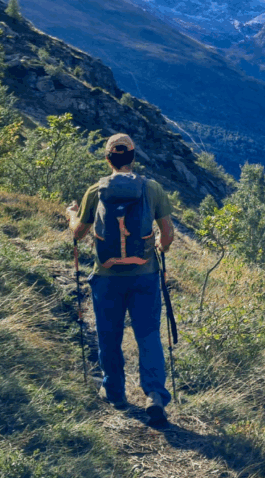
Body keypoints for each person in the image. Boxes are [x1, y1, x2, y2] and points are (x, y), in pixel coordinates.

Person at [66, 133, 174, 423]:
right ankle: (154, 394)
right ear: (133, 158)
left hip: (107, 276)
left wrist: (71, 214)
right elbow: (167, 234)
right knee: (148, 335)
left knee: (109, 334)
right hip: (145, 275)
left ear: (107, 159)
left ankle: (114, 392)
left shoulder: (95, 191)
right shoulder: (152, 188)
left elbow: (78, 233)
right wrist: (160, 248)